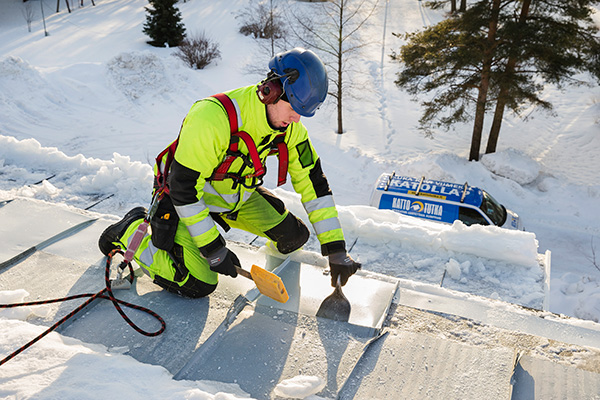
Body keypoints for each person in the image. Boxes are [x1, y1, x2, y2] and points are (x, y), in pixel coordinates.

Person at [98, 48, 360, 298]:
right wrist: (213, 247)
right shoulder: (213, 117)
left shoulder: (290, 129)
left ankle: (207, 232)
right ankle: (131, 230)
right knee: (200, 283)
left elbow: (315, 186)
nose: (296, 120)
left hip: (235, 196)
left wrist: (336, 250)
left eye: (302, 113)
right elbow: (184, 189)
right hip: (186, 200)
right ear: (271, 91)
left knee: (294, 237)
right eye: (293, 109)